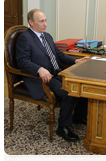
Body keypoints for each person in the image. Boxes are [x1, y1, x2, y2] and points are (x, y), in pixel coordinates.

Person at [16, 9, 90, 142]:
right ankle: (63, 128)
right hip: (41, 78)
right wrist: (39, 69)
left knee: (81, 83)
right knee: (68, 93)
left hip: (56, 72)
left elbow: (58, 53)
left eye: (45, 20)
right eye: (41, 21)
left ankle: (78, 116)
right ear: (31, 22)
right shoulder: (24, 38)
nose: (45, 24)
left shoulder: (47, 36)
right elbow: (22, 61)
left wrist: (75, 61)